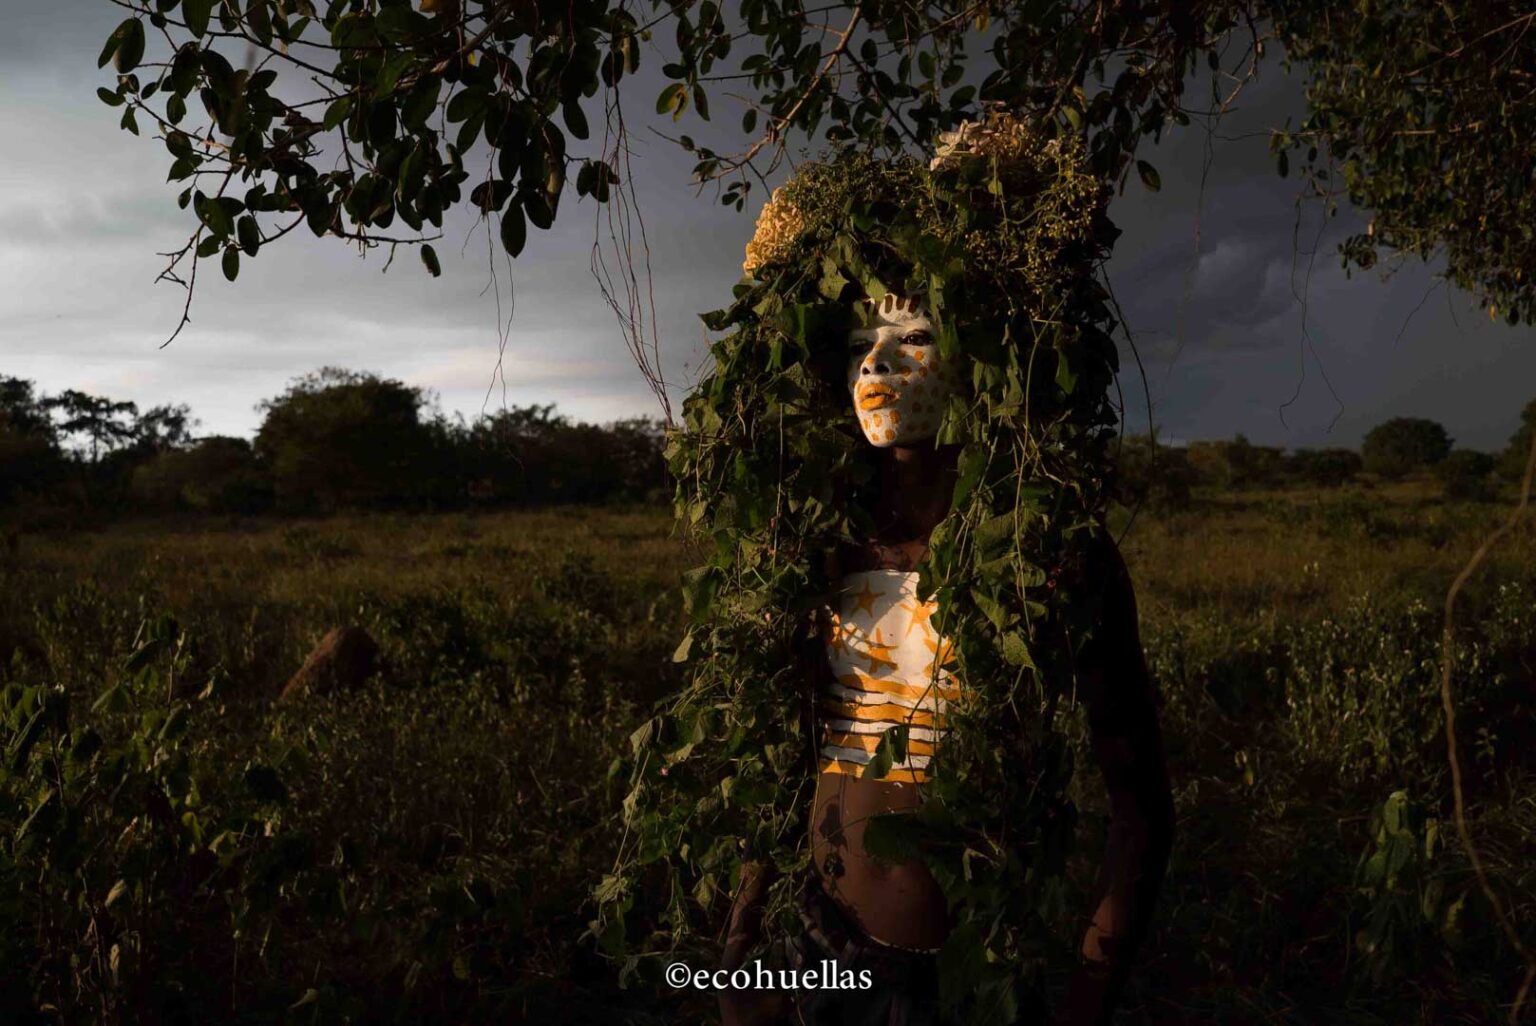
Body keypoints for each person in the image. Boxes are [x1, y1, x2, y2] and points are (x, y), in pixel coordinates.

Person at [715, 288, 1173, 1026]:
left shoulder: (1049, 558)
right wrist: (740, 943)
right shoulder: (825, 551)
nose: (877, 364)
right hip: (813, 946)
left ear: (985, 362)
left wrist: (1088, 1000)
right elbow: (786, 758)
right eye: (861, 347)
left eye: (914, 339)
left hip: (969, 982)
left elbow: (1140, 806)